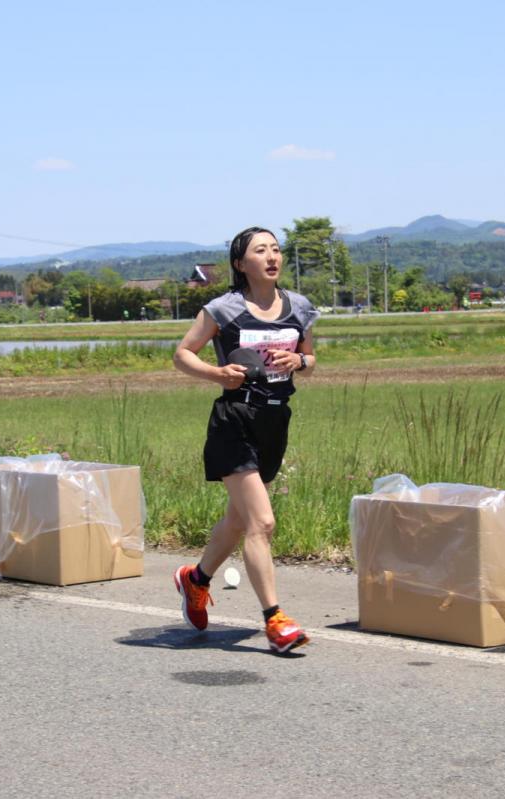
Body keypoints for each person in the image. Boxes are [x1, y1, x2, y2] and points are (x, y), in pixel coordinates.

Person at [171, 226, 318, 653]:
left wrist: (300, 360)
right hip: (234, 421)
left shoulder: (300, 307)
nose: (271, 256)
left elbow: (311, 357)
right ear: (241, 264)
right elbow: (183, 354)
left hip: (275, 423)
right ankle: (276, 620)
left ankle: (195, 580)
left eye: (276, 250)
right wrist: (215, 374)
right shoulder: (224, 308)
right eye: (260, 250)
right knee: (261, 523)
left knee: (238, 521)